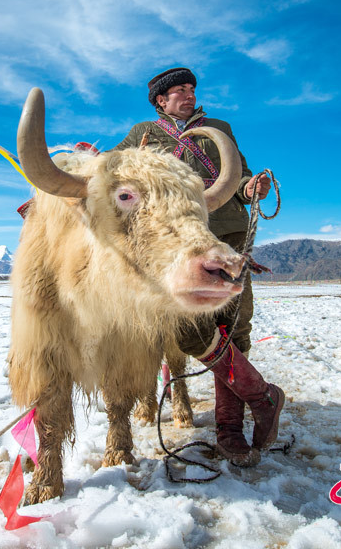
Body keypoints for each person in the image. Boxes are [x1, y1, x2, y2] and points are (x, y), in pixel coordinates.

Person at [112, 67, 282, 467]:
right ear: (161, 100)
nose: (189, 94)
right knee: (188, 330)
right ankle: (262, 396)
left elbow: (239, 179)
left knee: (233, 328)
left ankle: (229, 429)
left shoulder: (219, 128)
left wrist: (251, 188)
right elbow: (108, 169)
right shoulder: (142, 134)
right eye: (180, 90)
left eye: (192, 89)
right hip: (175, 246)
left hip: (226, 234)